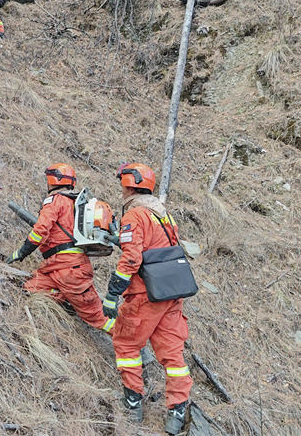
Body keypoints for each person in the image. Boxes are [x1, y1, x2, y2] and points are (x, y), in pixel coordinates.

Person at [101, 163, 192, 435]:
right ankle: (176, 412)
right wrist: (121, 239)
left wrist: (112, 293)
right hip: (171, 294)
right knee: (173, 354)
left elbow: (132, 258)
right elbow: (158, 248)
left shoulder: (134, 215)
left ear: (130, 185)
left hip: (145, 296)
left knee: (126, 343)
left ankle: (133, 403)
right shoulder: (164, 215)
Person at [6, 163, 115, 334]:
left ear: (52, 180)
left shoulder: (55, 201)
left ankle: (134, 344)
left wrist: (22, 252)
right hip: (58, 267)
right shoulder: (76, 203)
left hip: (69, 269)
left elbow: (40, 230)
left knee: (99, 318)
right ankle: (66, 299)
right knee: (31, 288)